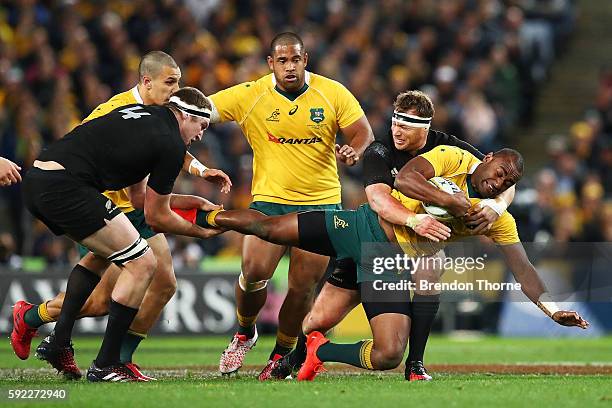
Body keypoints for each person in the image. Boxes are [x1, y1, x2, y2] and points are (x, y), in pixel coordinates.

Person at [195, 144, 588, 381]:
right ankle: (206, 217)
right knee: (271, 229)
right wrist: (455, 203)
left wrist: (552, 310)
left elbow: (523, 269)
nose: (499, 182)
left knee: (382, 353)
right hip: (363, 226)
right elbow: (406, 180)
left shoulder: (499, 219)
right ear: (484, 160)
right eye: (499, 172)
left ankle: (316, 354)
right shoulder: (451, 158)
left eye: (507, 182)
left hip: (388, 261)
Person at [10, 51, 230, 381]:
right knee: (116, 287)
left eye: (179, 83)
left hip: (81, 189)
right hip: (85, 194)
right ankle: (51, 330)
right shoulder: (118, 108)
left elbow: (144, 192)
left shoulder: (148, 115)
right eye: (170, 83)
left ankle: (104, 352)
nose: (175, 90)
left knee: (162, 282)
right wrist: (200, 231)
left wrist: (196, 180)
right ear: (147, 81)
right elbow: (154, 207)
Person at [269, 90, 516, 381]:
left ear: (425, 128)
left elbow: (504, 179)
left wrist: (497, 207)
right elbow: (377, 200)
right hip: (375, 239)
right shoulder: (380, 150)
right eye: (395, 123)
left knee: (431, 265)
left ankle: (416, 364)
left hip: (413, 247)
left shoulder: (448, 148)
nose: (397, 131)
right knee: (317, 320)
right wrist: (415, 220)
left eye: (406, 126)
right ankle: (292, 360)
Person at [209, 32, 374, 379]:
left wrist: (353, 150)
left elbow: (362, 132)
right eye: (282, 60)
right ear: (271, 64)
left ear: (305, 60)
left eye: (295, 59)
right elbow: (203, 110)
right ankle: (244, 332)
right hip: (269, 203)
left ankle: (281, 353)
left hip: (321, 204)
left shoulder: (332, 93)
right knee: (254, 273)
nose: (289, 66)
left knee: (302, 289)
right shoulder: (251, 94)